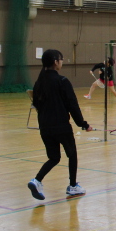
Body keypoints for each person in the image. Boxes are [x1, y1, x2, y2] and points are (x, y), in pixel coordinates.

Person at [28, 49, 91, 200]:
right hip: (61, 126)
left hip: (44, 127)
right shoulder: (62, 81)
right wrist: (83, 124)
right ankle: (73, 186)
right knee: (72, 154)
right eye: (61, 60)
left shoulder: (39, 82)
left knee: (54, 157)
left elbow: (36, 104)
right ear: (56, 62)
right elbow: (72, 105)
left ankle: (36, 180)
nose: (62, 62)